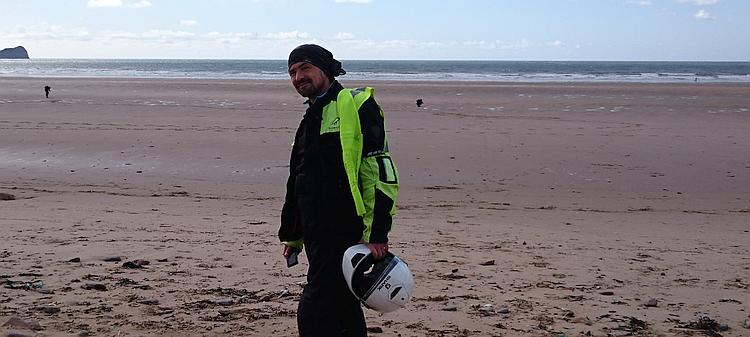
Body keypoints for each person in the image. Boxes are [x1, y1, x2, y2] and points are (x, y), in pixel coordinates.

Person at [279, 44, 400, 337]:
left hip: (347, 230)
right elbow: (300, 180)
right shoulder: (309, 118)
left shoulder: (356, 104)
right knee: (343, 303)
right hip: (315, 231)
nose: (297, 77)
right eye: (292, 72)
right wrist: (293, 234)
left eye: (304, 68)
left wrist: (377, 233)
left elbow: (379, 173)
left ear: (325, 68)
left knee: (315, 308)